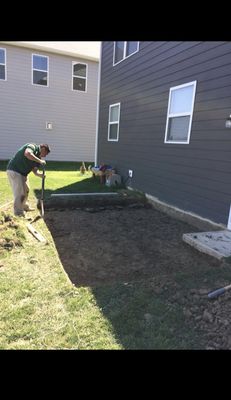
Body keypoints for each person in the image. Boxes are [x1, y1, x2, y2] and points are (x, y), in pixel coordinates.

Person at [6, 143, 50, 217]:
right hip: (14, 170)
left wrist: (40, 175)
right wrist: (39, 160)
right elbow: (27, 154)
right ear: (43, 149)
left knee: (26, 190)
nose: (45, 156)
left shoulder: (38, 158)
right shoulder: (32, 146)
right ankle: (18, 213)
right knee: (19, 193)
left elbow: (35, 171)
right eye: (45, 153)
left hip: (23, 174)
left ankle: (24, 206)